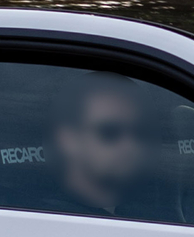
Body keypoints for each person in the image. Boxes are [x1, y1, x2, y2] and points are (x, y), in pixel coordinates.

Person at [53, 72, 156, 218]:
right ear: (69, 140)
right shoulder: (55, 218)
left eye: (138, 132)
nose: (130, 147)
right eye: (110, 132)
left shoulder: (146, 209)